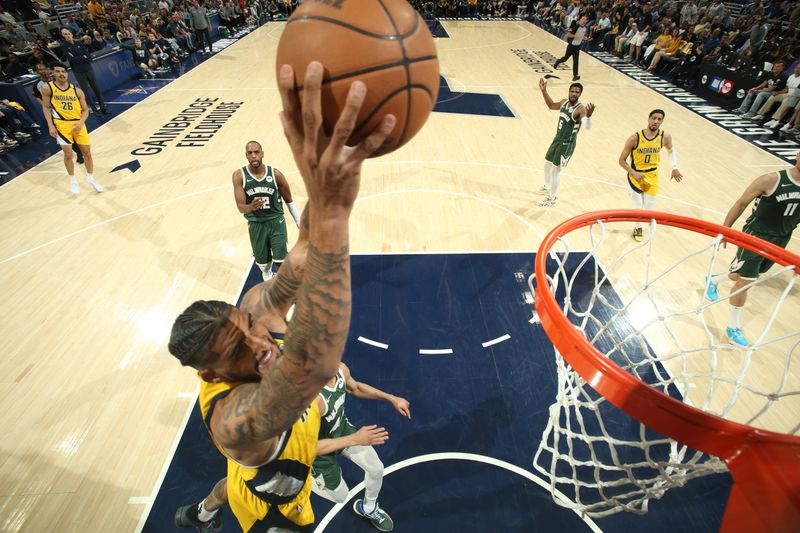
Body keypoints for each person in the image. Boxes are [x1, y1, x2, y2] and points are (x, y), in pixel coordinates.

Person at [168, 61, 397, 533]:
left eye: (250, 327)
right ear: (213, 373)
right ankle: (214, 511)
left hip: (288, 446)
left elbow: (300, 257)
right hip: (274, 494)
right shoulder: (235, 423)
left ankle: (202, 512)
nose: (259, 345)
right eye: (239, 350)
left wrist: (325, 189)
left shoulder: (257, 310)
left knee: (222, 489)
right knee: (245, 490)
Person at [704, 151, 800, 347]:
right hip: (755, 235)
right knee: (747, 282)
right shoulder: (771, 179)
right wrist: (725, 230)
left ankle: (712, 280)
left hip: (781, 238)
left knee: (742, 276)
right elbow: (741, 203)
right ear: (797, 155)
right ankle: (733, 327)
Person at [311, 362, 410, 532]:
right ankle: (298, 476)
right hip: (319, 453)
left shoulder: (340, 369)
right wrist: (354, 438)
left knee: (376, 468)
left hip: (341, 430)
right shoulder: (314, 400)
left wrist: (392, 399)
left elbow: (356, 388)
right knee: (340, 496)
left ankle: (369, 509)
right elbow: (309, 447)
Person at [233, 140, 301, 281]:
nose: (253, 156)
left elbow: (289, 200)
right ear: (246, 155)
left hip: (276, 221)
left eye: (256, 152)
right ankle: (268, 276)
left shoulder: (276, 175)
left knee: (281, 261)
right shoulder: (239, 176)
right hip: (256, 224)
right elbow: (240, 207)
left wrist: (299, 221)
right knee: (263, 264)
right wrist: (250, 207)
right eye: (250, 153)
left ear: (262, 154)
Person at [618, 109, 682, 242]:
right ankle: (638, 228)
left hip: (652, 175)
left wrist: (674, 167)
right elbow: (621, 161)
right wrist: (634, 173)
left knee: (649, 207)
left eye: (659, 119)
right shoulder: (635, 138)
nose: (656, 121)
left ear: (662, 121)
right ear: (648, 119)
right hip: (635, 175)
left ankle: (645, 226)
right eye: (654, 118)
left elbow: (671, 150)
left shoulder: (665, 137)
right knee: (638, 204)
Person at [40, 62, 103, 195]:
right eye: (58, 71)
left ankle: (90, 178)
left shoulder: (77, 90)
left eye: (63, 71)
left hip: (78, 124)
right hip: (61, 125)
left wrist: (80, 123)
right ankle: (73, 179)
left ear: (67, 73)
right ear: (53, 73)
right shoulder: (48, 88)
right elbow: (46, 107)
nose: (61, 74)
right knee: (68, 154)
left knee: (87, 153)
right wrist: (51, 126)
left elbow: (85, 110)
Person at [535, 78, 595, 207]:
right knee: (547, 163)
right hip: (557, 139)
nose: (574, 93)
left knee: (555, 170)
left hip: (567, 143)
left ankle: (552, 198)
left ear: (580, 94)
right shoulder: (564, 102)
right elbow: (551, 105)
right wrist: (544, 91)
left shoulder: (581, 109)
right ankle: (547, 186)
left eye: (577, 92)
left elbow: (587, 127)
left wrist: (589, 117)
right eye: (572, 91)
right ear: (569, 91)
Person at [31, 62, 84, 164]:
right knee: (66, 134)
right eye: (40, 70)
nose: (43, 71)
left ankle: (82, 149)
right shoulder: (38, 84)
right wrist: (45, 105)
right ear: (37, 72)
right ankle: (78, 153)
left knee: (76, 130)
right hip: (55, 113)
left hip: (67, 109)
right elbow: (36, 96)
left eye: (44, 68)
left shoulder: (56, 77)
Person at [59, 28, 109, 115]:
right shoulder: (64, 46)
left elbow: (89, 57)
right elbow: (72, 59)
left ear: (71, 34)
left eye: (68, 33)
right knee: (86, 92)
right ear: (63, 36)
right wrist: (83, 57)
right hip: (78, 72)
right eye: (65, 34)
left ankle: (103, 108)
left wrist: (81, 57)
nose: (68, 35)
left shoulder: (79, 43)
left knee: (97, 89)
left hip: (88, 69)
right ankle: (95, 110)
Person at [553, 15, 587, 81]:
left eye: (585, 19)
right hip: (571, 46)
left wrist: (584, 38)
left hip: (577, 47)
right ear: (580, 20)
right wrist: (575, 36)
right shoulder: (576, 27)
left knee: (576, 61)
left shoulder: (585, 28)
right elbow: (568, 34)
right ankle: (558, 61)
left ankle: (575, 75)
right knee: (565, 58)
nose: (584, 21)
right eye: (583, 19)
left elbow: (581, 36)